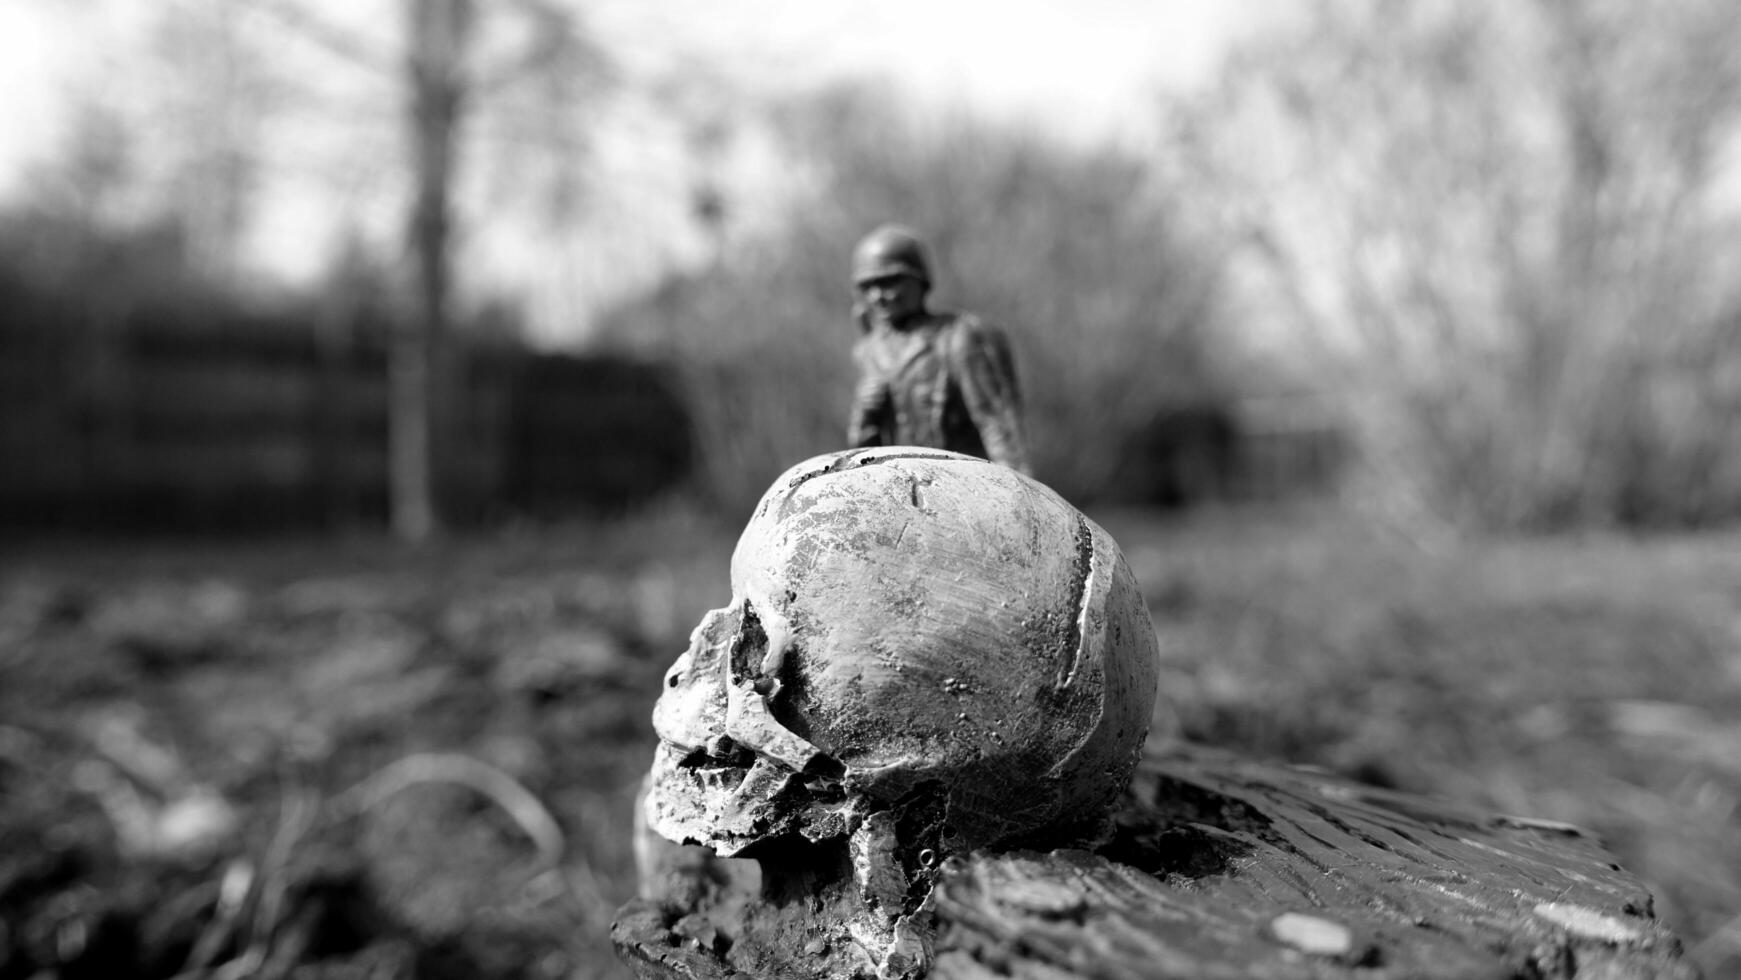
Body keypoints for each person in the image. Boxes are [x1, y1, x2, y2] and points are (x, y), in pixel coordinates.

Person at [845, 224, 1033, 475]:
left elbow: (996, 423)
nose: (878, 296)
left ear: (919, 281)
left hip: (966, 483)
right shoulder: (868, 352)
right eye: (868, 287)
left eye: (890, 282)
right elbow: (867, 457)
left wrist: (1017, 488)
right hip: (903, 490)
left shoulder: (960, 336)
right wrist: (864, 418)